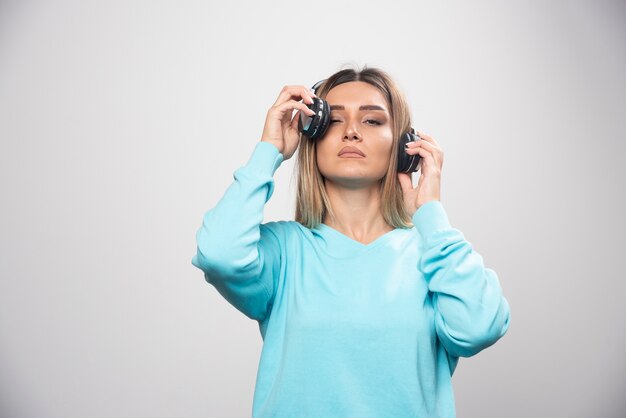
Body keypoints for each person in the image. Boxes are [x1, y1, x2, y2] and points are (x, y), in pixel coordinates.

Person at [191, 65, 511, 418]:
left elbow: (480, 325)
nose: (352, 133)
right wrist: (269, 151)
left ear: (405, 148)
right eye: (335, 121)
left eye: (372, 121)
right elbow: (218, 254)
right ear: (312, 136)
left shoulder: (433, 256)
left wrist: (430, 215)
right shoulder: (284, 252)